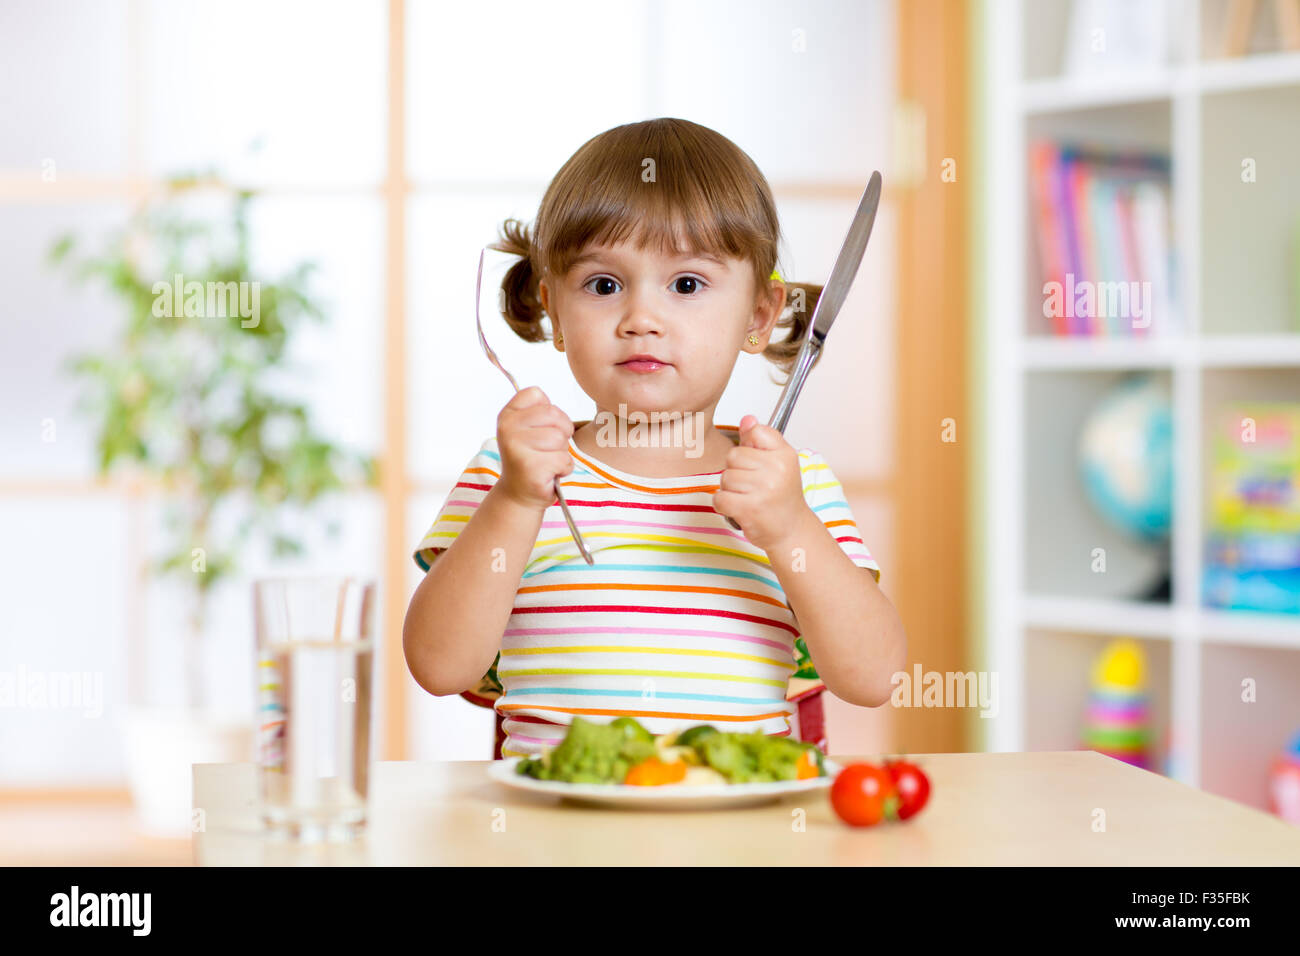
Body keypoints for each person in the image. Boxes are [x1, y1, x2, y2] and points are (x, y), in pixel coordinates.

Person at [403, 117, 906, 759]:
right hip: (556, 832)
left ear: (758, 316)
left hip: (737, 836)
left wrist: (789, 528)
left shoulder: (790, 485)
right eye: (604, 285)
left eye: (687, 285)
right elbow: (439, 667)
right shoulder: (515, 472)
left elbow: (873, 677)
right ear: (554, 310)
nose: (641, 319)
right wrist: (515, 501)